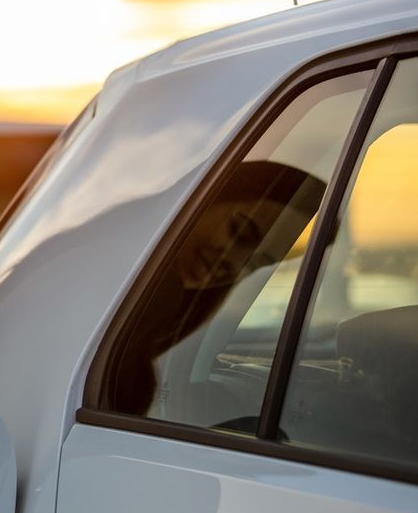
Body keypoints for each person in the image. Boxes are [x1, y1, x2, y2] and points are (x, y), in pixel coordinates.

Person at [107, 160, 327, 415]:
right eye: (240, 232)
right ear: (205, 198)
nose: (232, 261)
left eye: (254, 263)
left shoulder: (140, 330)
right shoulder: (105, 297)